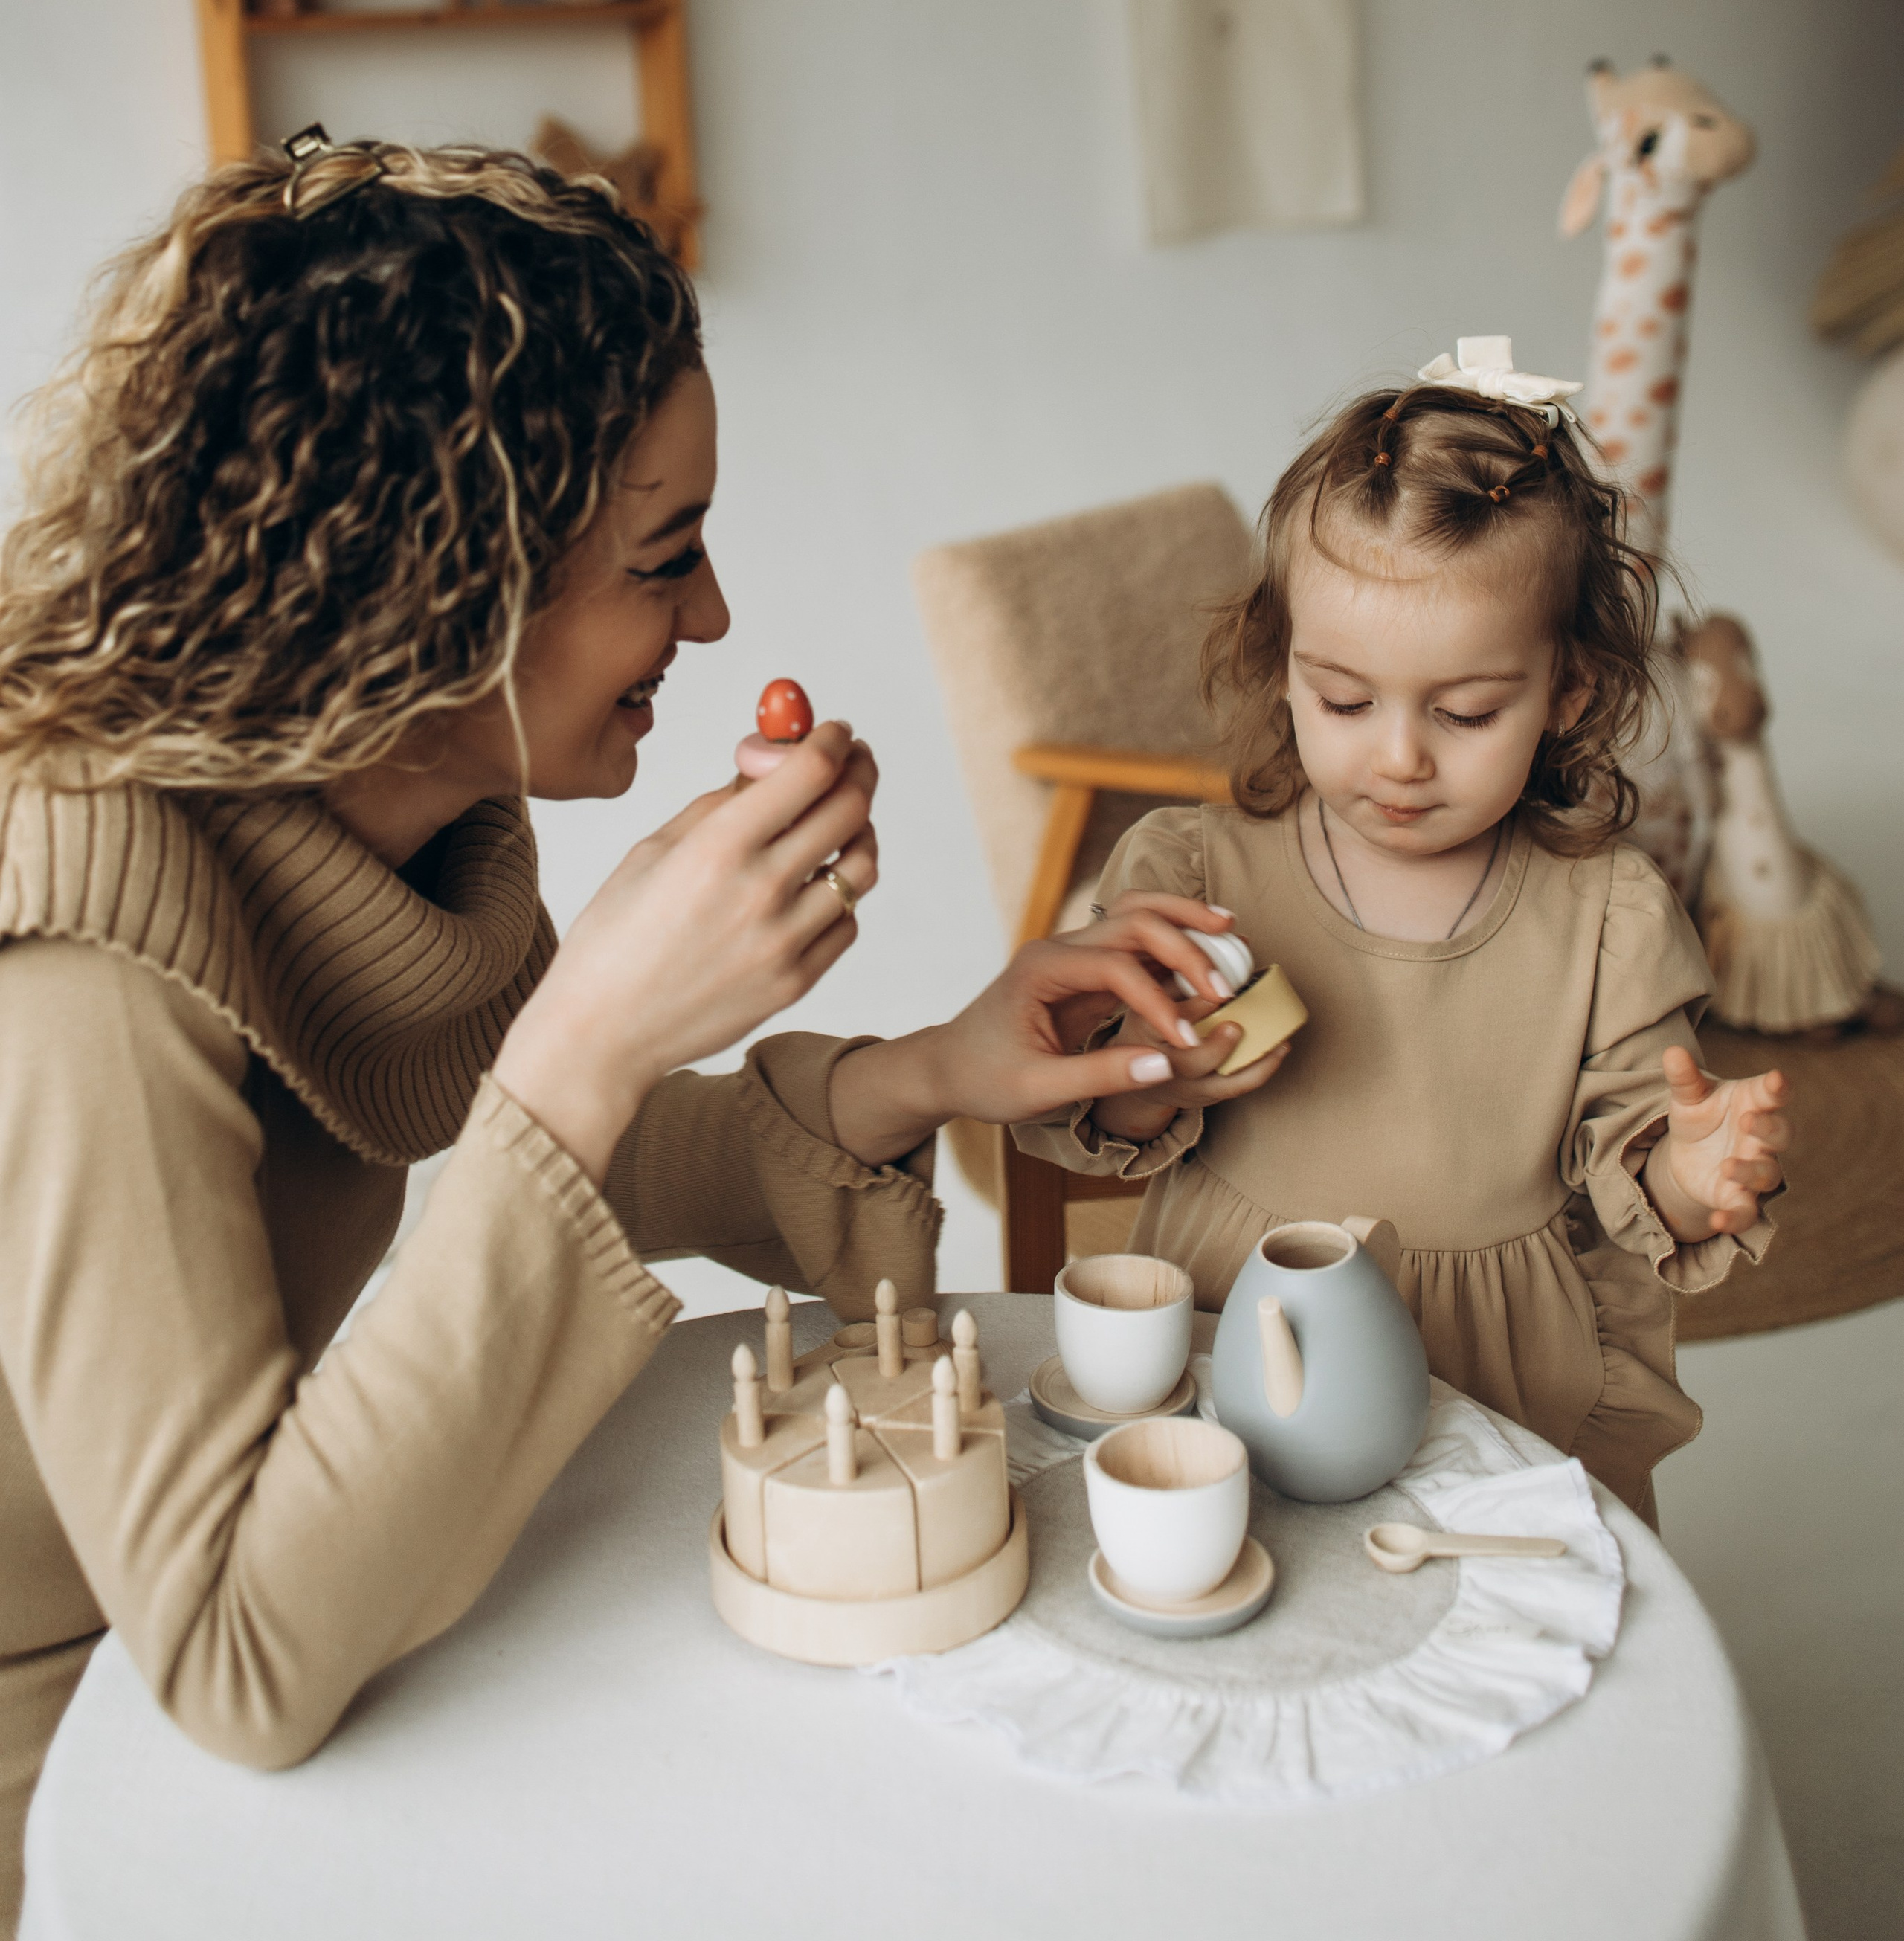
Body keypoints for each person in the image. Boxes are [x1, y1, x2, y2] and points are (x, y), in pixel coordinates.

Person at [0, 138, 1204, 1926]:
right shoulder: (85, 961)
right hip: (77, 1757)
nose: (711, 616)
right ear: (448, 583)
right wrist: (589, 1035)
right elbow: (237, 1661)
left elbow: (532, 1155)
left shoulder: (402, 823)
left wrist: (921, 1074)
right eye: (667, 557)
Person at [1012, 363, 1790, 1522]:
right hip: (1247, 1343)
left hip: (1502, 1371)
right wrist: (1153, 1072)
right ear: (1285, 666)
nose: (1400, 758)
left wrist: (1695, 1173)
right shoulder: (1194, 875)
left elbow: (1640, 1178)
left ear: (1567, 691)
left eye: (1466, 712)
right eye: (1343, 700)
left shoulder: (1610, 918)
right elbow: (1087, 1112)